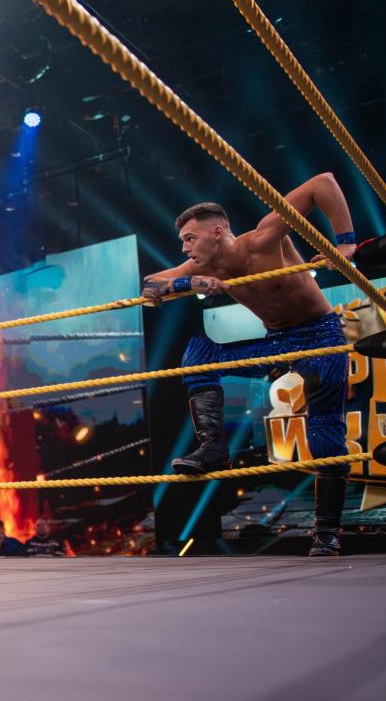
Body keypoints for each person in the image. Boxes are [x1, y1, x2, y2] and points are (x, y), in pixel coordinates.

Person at [142, 174, 358, 557]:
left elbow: (321, 183)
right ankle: (213, 448)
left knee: (325, 437)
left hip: (320, 336)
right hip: (273, 342)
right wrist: (189, 285)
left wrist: (345, 243)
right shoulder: (203, 269)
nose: (184, 248)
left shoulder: (262, 241)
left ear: (217, 231)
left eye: (189, 239)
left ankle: (327, 535)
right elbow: (150, 288)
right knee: (198, 355)